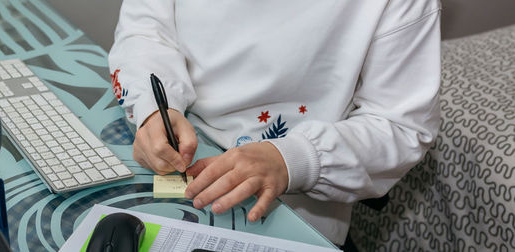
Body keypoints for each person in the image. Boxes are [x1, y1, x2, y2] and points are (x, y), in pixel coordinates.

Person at [108, 0, 441, 245]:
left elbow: (402, 125)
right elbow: (145, 30)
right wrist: (155, 109)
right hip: (176, 168)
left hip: (294, 206)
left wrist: (292, 159)